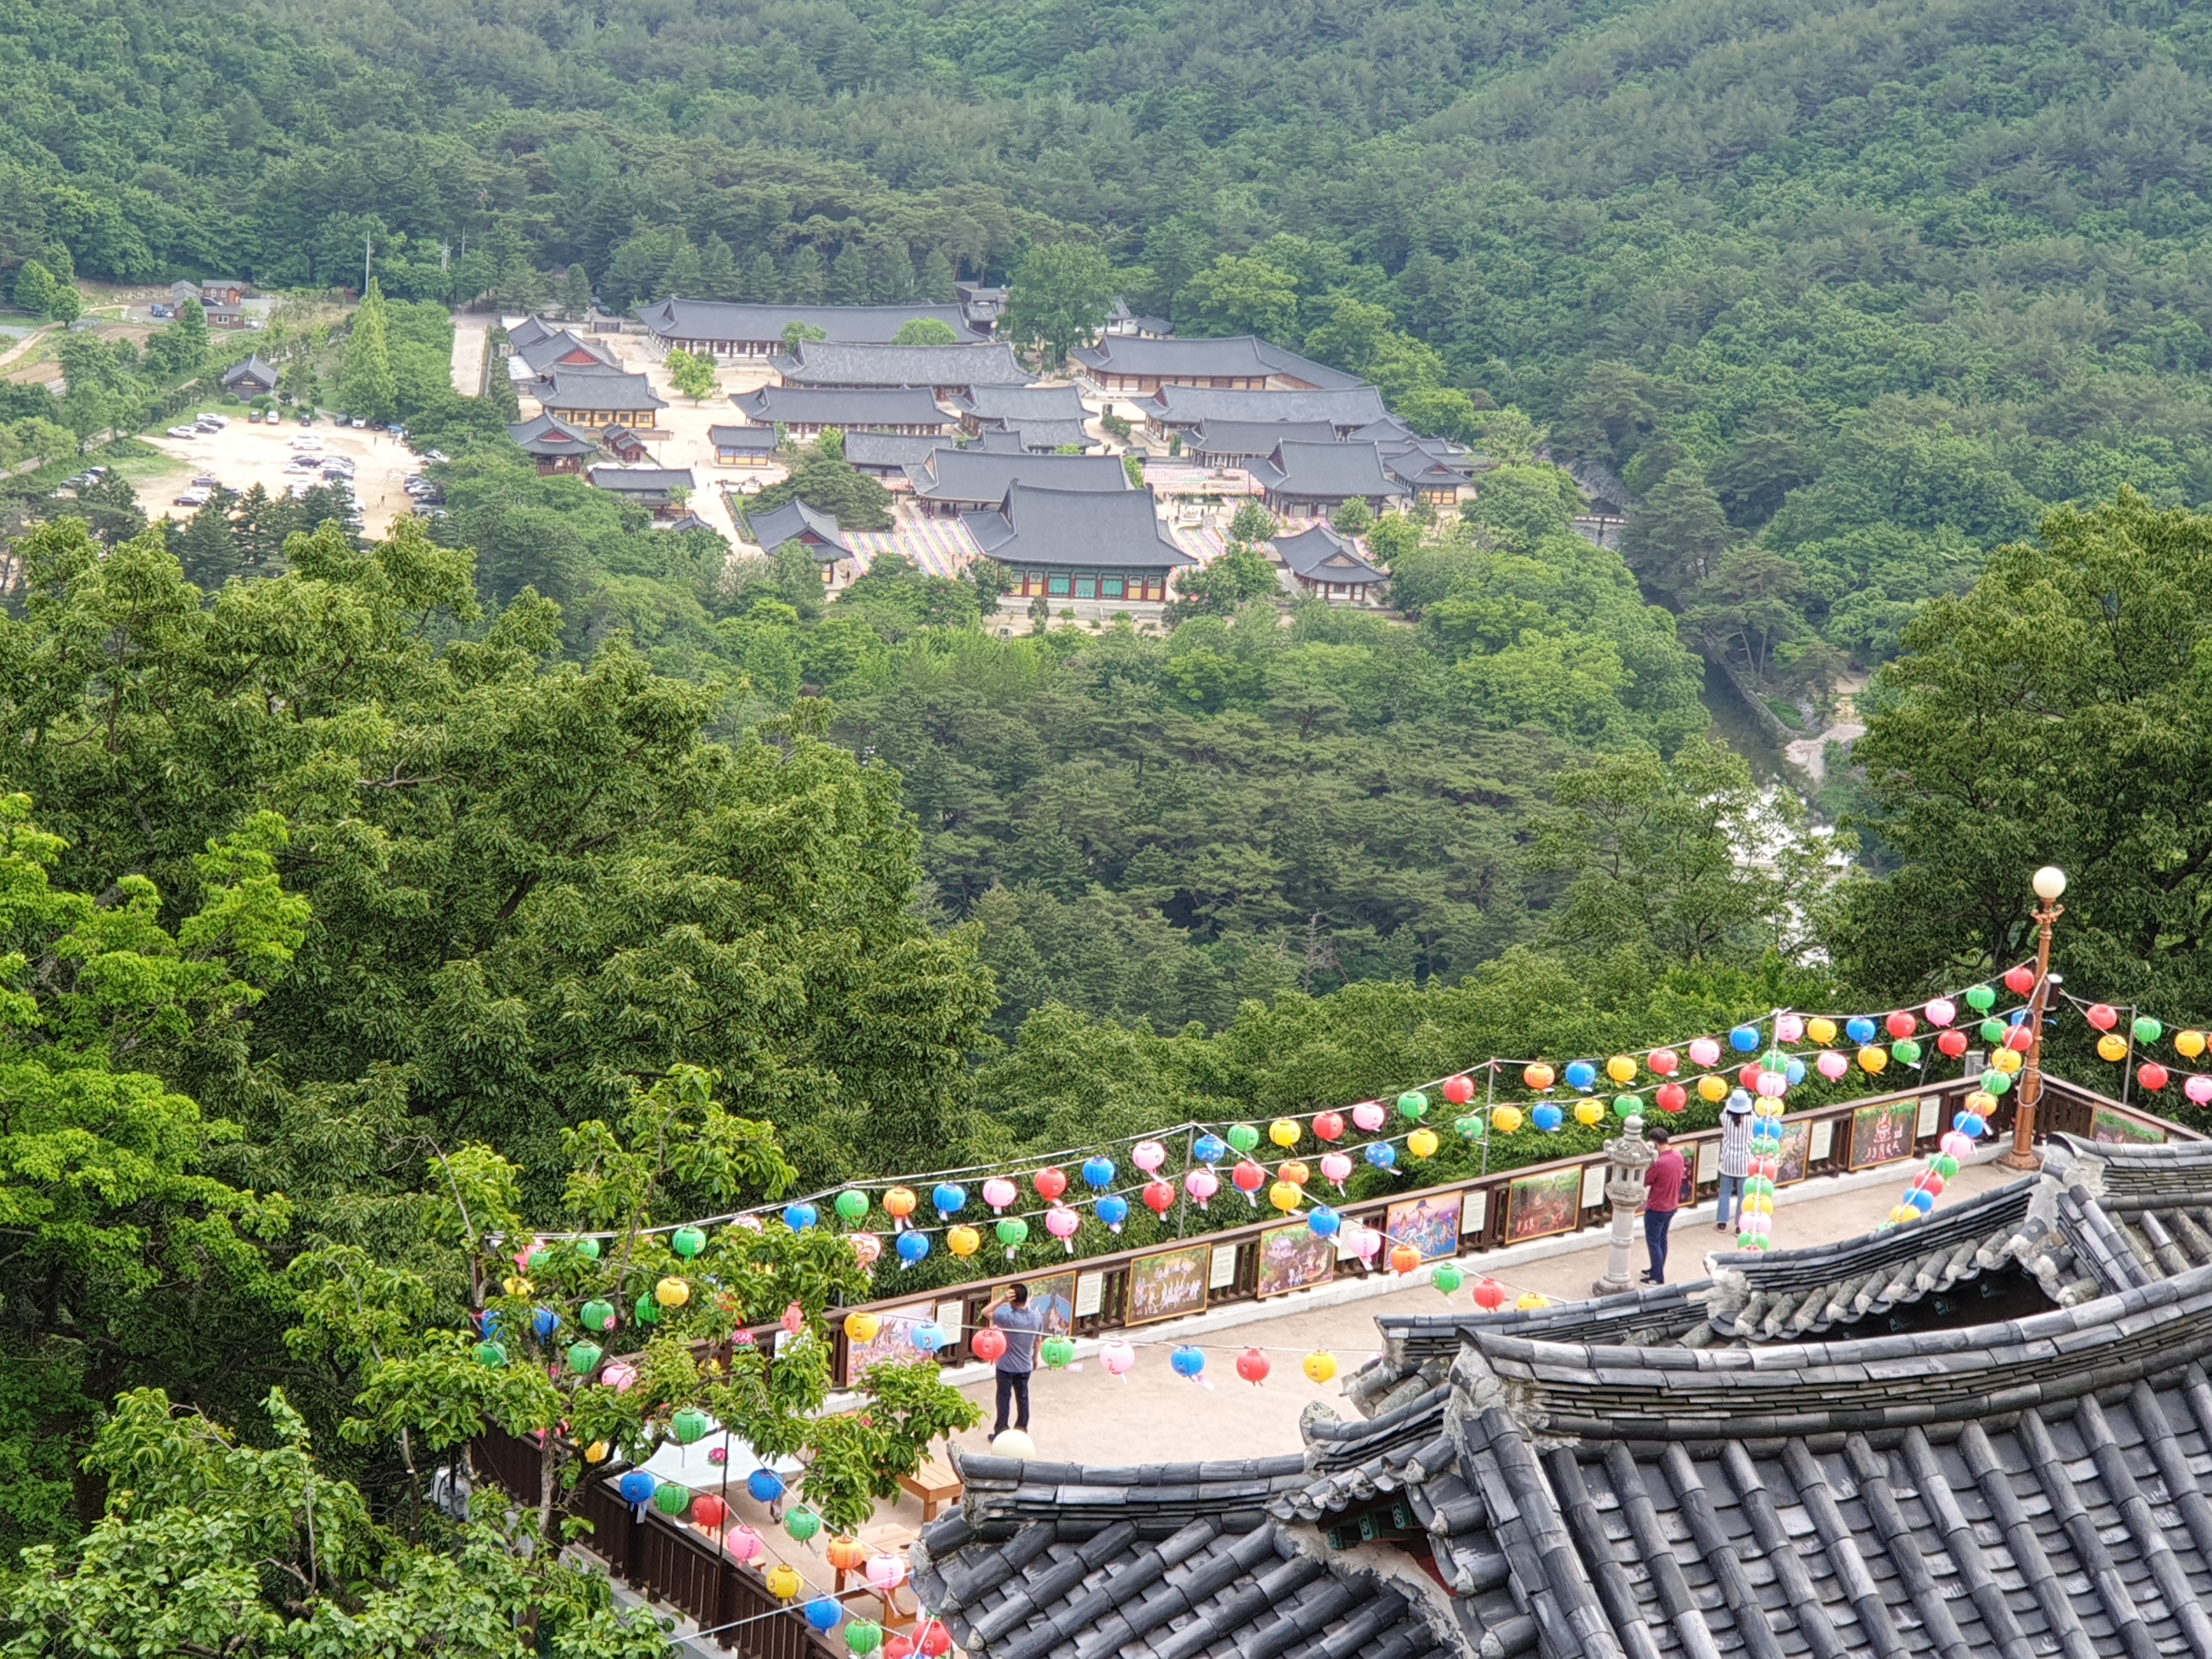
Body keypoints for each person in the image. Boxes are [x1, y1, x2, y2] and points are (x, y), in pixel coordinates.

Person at [984, 1282, 1045, 1438]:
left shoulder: (1008, 1318)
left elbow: (986, 1311)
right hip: (1025, 1366)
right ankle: (1022, 1429)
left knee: (1003, 1399)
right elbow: (1038, 1340)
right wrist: (1035, 1358)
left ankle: (1001, 1431)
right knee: (1023, 1397)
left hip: (1005, 1366)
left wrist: (1002, 1300)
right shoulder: (1037, 1317)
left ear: (1012, 1300)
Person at [1641, 1127, 1686, 1284]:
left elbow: (1646, 1180)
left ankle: (1657, 1277)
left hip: (1657, 1207)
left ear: (1655, 1143)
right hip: (1672, 1205)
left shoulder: (1660, 1163)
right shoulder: (1678, 1156)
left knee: (1653, 1241)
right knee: (1662, 1239)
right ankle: (1657, 1268)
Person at [1716, 1090, 1754, 1232]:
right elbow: (1753, 1113)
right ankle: (1740, 1226)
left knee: (1724, 1193)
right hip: (1745, 1162)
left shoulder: (1725, 1118)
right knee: (1743, 1195)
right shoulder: (1752, 1120)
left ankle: (1722, 1223)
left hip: (1728, 1161)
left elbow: (1724, 1111)